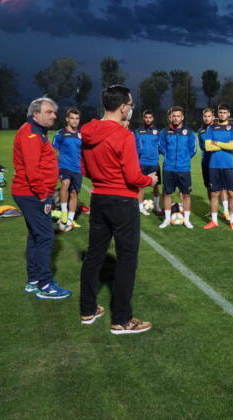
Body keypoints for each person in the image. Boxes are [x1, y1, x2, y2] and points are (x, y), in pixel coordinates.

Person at [80, 85, 158, 334]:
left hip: (99, 199)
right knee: (126, 260)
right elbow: (134, 176)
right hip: (122, 202)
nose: (131, 109)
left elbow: (86, 171)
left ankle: (88, 310)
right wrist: (151, 181)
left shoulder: (88, 131)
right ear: (123, 106)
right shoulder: (124, 135)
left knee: (94, 256)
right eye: (130, 104)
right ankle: (122, 320)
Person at [12, 97, 72, 299]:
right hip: (32, 193)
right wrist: (43, 194)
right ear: (35, 114)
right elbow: (31, 170)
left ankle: (34, 280)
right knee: (45, 237)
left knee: (36, 236)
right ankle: (46, 285)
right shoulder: (31, 134)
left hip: (31, 192)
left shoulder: (37, 131)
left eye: (54, 112)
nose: (54, 116)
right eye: (49, 112)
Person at [202, 104, 233, 231]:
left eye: (224, 112)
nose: (222, 114)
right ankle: (214, 221)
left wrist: (217, 143)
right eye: (220, 112)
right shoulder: (211, 128)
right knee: (214, 193)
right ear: (218, 114)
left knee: (231, 193)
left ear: (228, 114)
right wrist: (225, 145)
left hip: (228, 165)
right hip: (214, 165)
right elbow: (207, 147)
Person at [158, 106, 197, 229]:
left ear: (182, 117)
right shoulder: (164, 132)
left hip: (184, 168)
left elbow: (193, 149)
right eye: (174, 116)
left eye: (178, 116)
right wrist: (169, 157)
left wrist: (184, 159)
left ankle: (186, 220)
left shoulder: (189, 132)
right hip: (169, 168)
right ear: (170, 117)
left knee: (186, 194)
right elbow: (161, 147)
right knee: (167, 194)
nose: (176, 118)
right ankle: (167, 219)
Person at [52, 108, 83, 231]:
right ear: (67, 119)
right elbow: (53, 152)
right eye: (72, 118)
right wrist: (58, 165)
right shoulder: (60, 134)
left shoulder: (81, 135)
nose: (75, 121)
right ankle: (64, 213)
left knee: (74, 193)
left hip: (77, 168)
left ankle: (70, 219)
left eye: (77, 118)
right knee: (65, 183)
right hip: (64, 166)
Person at [135, 110, 162, 215]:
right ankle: (140, 207)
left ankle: (156, 206)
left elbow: (160, 147)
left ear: (153, 118)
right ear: (143, 118)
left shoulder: (157, 132)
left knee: (156, 186)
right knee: (141, 187)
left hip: (154, 163)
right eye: (146, 117)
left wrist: (154, 155)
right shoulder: (138, 132)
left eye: (150, 117)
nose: (148, 119)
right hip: (142, 163)